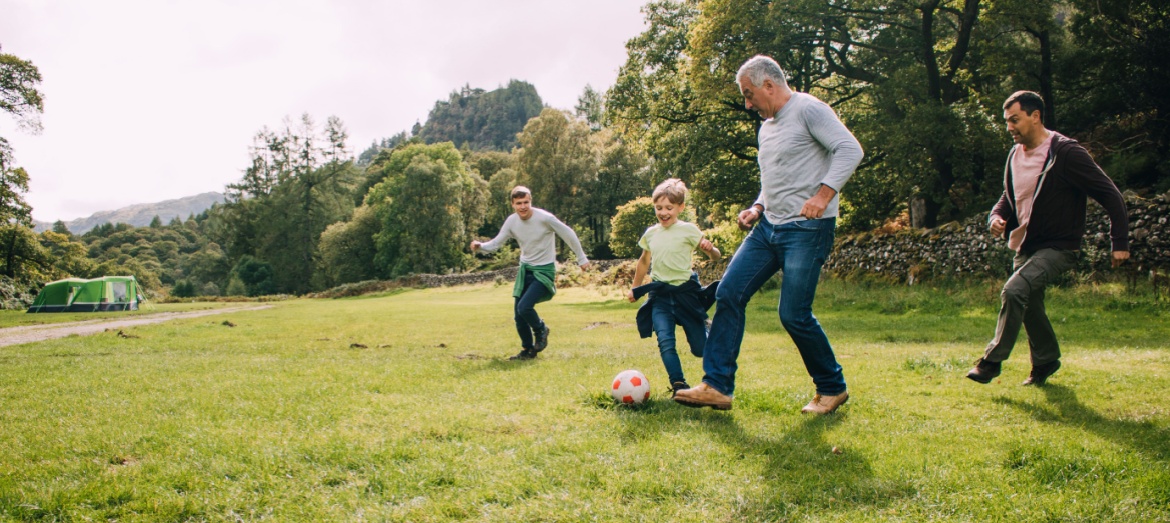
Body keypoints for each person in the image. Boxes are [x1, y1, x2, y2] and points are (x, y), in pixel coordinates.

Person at [673, 55, 863, 413]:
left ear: (769, 86)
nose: (747, 103)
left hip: (807, 230)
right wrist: (757, 207)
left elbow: (850, 149)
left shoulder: (810, 109)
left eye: (749, 94)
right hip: (768, 228)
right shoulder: (767, 127)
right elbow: (775, 177)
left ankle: (832, 387)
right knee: (728, 293)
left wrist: (823, 195)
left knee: (793, 313)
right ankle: (717, 386)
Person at [966, 90, 1129, 386]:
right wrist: (996, 216)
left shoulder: (1065, 153)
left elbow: (1110, 194)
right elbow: (1008, 194)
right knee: (1029, 304)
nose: (1009, 127)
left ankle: (990, 362)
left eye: (1015, 120)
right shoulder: (1015, 154)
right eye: (1006, 121)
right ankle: (1046, 361)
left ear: (1035, 116)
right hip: (1026, 244)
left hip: (1059, 246)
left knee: (1015, 291)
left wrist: (1120, 242)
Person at [471, 186, 591, 360]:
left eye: (526, 202)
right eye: (518, 203)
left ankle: (541, 329)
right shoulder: (512, 221)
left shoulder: (545, 218)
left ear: (530, 201)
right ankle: (527, 350)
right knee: (519, 316)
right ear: (513, 204)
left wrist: (581, 258)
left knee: (524, 307)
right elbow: (496, 243)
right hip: (525, 270)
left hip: (544, 271)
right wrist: (480, 246)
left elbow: (569, 234)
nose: (523, 207)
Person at [627, 178, 722, 396]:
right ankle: (679, 384)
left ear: (680, 207)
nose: (663, 212)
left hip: (685, 295)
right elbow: (643, 261)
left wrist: (710, 249)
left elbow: (716, 256)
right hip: (660, 295)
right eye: (658, 208)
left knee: (700, 350)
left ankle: (707, 328)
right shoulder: (651, 233)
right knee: (665, 341)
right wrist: (635, 287)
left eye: (669, 208)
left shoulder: (688, 230)